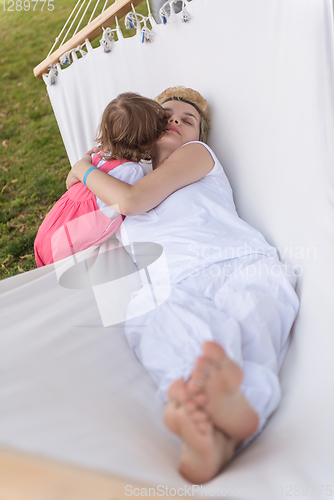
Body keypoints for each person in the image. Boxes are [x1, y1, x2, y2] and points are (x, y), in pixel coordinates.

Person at [66, 86, 299, 484]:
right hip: (170, 281)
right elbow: (77, 199)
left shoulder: (196, 156)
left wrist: (83, 169)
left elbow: (132, 202)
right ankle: (211, 430)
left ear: (198, 135)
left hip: (234, 262)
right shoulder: (127, 175)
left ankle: (227, 407)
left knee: (249, 324)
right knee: (155, 324)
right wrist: (91, 171)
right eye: (165, 114)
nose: (175, 120)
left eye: (187, 119)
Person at [34, 93, 168, 267]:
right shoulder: (132, 172)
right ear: (147, 140)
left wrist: (83, 164)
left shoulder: (95, 157)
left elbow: (70, 183)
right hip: (68, 244)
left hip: (50, 229)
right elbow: (137, 204)